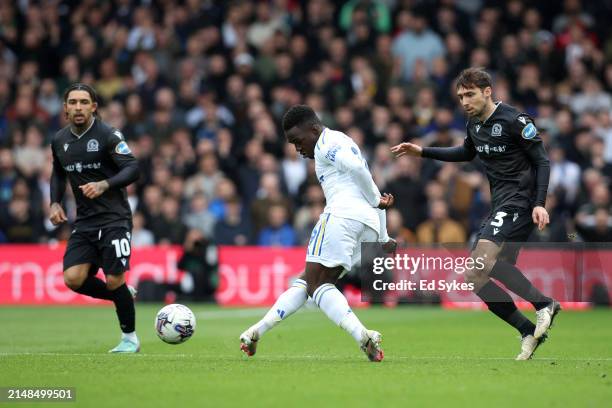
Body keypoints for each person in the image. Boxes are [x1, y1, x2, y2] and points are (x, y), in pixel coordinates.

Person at [391, 68, 561, 360]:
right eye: (460, 96)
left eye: (470, 94)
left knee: (476, 266)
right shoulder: (473, 124)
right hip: (500, 205)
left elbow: (542, 161)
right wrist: (423, 152)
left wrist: (539, 202)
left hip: (520, 202)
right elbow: (465, 153)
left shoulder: (515, 120)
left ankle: (543, 304)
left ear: (487, 92)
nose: (464, 101)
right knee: (478, 274)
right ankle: (526, 330)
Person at [239, 105, 396, 362]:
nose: (297, 149)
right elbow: (368, 179)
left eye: (298, 141)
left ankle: (362, 335)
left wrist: (376, 200)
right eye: (291, 144)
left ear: (314, 129)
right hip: (365, 224)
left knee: (317, 285)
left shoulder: (327, 144)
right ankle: (257, 330)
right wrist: (383, 235)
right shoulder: (343, 141)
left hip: (342, 217)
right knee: (310, 280)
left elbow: (358, 170)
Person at [50, 83, 140, 353]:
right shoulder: (59, 140)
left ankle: (130, 340)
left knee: (114, 280)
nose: (78, 107)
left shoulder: (108, 135)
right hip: (85, 222)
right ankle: (122, 295)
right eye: (73, 102)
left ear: (93, 107)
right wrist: (54, 201)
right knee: (73, 279)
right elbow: (58, 172)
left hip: (115, 218)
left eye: (84, 102)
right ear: (65, 108)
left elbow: (133, 167)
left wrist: (105, 184)